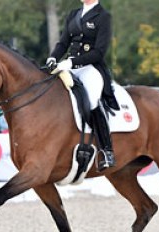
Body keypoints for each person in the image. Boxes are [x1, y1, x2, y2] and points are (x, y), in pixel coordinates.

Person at [46, 0, 119, 171]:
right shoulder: (74, 14)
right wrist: (53, 57)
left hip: (91, 68)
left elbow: (99, 52)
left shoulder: (103, 16)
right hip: (68, 66)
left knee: (92, 100)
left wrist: (72, 62)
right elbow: (63, 42)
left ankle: (106, 150)